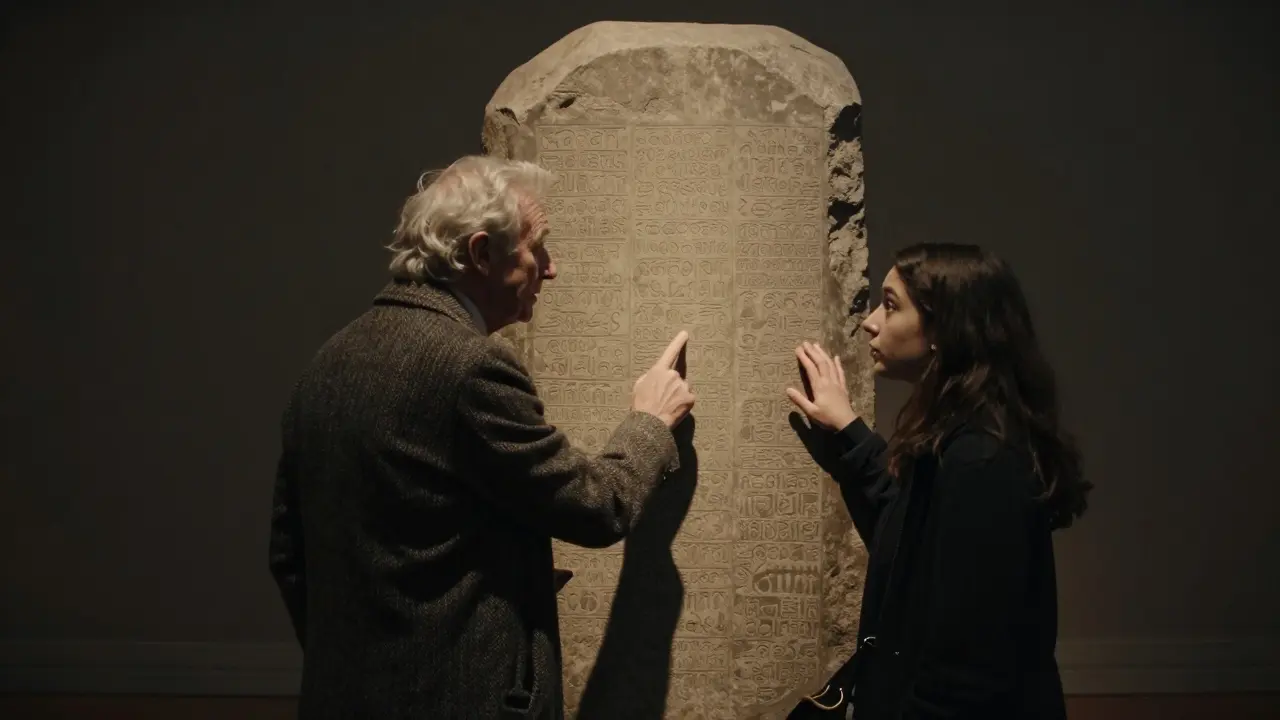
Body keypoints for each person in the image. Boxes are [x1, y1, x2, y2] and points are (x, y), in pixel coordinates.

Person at [268, 155, 696, 719]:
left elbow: (290, 555)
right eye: (537, 246)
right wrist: (650, 420)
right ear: (481, 253)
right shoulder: (470, 368)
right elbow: (597, 507)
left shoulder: (327, 362)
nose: (551, 268)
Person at [785, 243, 1092, 720]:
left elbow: (967, 668)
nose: (870, 322)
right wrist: (848, 429)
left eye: (891, 305)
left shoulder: (982, 461)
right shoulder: (958, 438)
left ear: (944, 328)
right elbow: (909, 537)